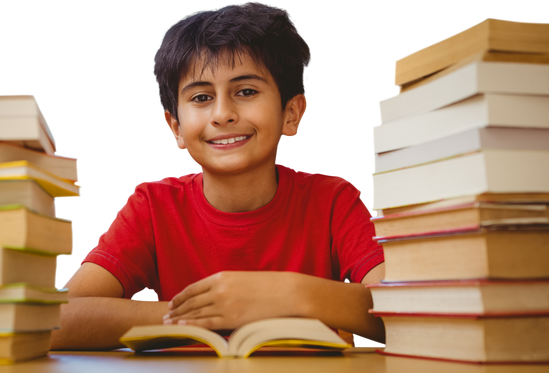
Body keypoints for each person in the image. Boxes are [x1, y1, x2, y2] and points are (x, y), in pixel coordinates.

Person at [50, 0, 385, 351]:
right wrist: (211, 315)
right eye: (201, 97)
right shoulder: (151, 205)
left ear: (292, 113)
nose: (222, 114)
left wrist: (289, 294)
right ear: (175, 128)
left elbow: (411, 312)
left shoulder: (334, 200)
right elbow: (59, 319)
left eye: (246, 91)